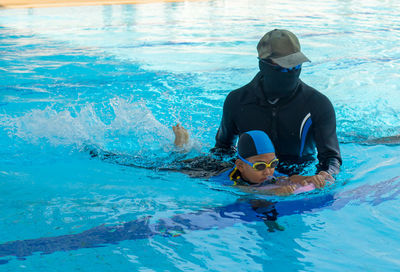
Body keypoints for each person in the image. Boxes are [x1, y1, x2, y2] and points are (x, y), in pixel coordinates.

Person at [213, 29, 342, 186]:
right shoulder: (237, 101)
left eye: (296, 66)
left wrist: (324, 175)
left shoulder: (317, 104)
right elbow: (222, 151)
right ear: (264, 65)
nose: (291, 72)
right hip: (252, 179)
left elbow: (331, 157)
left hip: (300, 176)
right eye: (284, 68)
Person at [173, 124, 327, 195]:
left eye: (273, 164)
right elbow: (244, 189)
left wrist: (309, 178)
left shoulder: (268, 173)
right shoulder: (231, 179)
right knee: (176, 163)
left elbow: (288, 178)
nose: (268, 171)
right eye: (260, 166)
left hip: (223, 163)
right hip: (203, 169)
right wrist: (273, 192)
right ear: (240, 165)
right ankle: (181, 146)